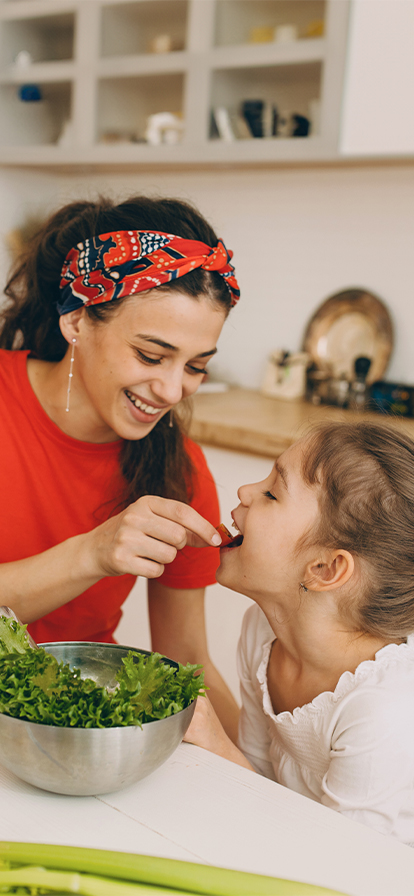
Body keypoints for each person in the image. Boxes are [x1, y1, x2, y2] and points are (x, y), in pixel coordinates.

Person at [0, 194, 241, 738]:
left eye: (197, 366)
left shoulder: (180, 471)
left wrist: (272, 771)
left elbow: (185, 660)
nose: (172, 390)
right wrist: (93, 552)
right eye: (151, 356)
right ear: (78, 320)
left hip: (74, 736)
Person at [184, 421, 414, 844]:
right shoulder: (263, 631)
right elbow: (254, 777)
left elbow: (341, 866)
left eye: (272, 493)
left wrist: (216, 743)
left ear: (325, 569)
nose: (245, 492)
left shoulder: (383, 710)